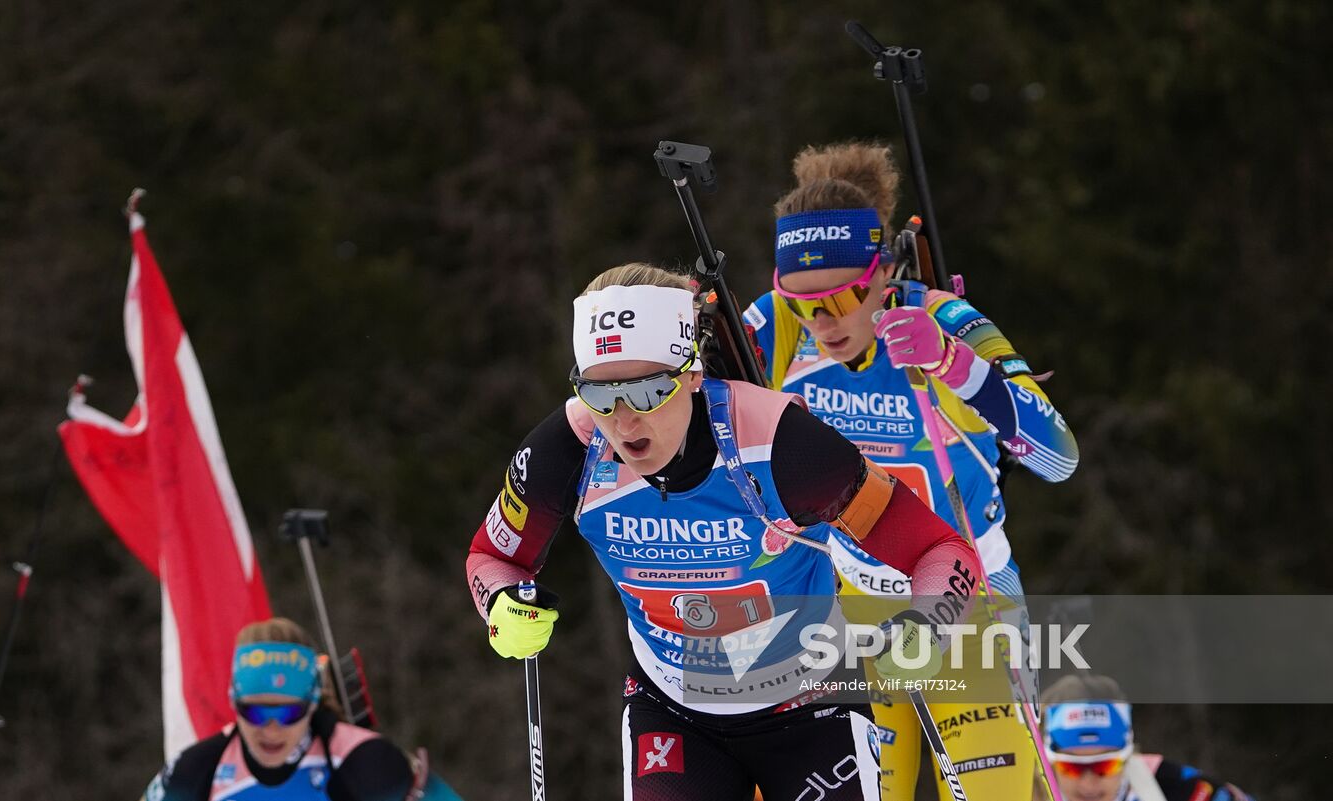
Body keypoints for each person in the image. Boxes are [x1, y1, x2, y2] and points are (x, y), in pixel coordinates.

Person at [467, 263, 984, 800]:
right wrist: (502, 605)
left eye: (646, 393)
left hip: (811, 705)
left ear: (692, 374)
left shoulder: (782, 447)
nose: (623, 423)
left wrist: (929, 627)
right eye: (601, 395)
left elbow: (942, 551)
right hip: (673, 711)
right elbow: (491, 557)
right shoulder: (568, 450)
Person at [745, 141, 1081, 800]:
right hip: (842, 608)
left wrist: (959, 366)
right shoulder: (780, 323)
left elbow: (1058, 456)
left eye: (843, 299)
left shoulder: (943, 320)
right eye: (803, 303)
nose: (823, 322)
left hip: (966, 601)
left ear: (882, 272)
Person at [141, 617, 460, 801]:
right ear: (233, 703)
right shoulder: (196, 769)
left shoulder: (364, 761)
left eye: (288, 713)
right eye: (254, 713)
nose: (271, 728)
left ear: (311, 704)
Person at [1041, 674, 1254, 801]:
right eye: (1072, 767)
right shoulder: (1019, 787)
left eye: (1105, 766)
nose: (1088, 784)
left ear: (1125, 756)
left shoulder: (1174, 787)